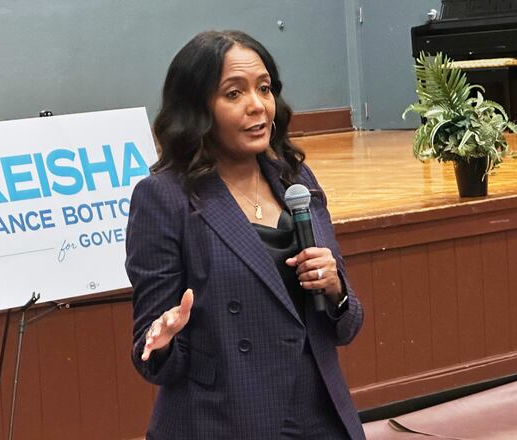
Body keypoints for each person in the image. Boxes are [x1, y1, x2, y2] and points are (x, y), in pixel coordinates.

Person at [125, 30, 365, 439]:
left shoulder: (295, 179)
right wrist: (162, 338)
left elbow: (347, 325)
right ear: (198, 109)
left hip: (318, 413)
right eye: (234, 94)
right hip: (225, 419)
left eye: (265, 88)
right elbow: (151, 357)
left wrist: (336, 290)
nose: (258, 106)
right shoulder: (163, 197)